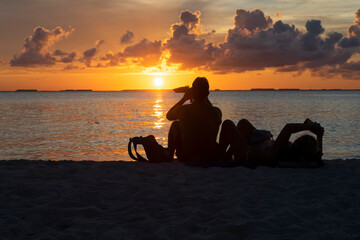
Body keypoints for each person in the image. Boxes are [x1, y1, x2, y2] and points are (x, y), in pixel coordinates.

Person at [220, 118, 324, 167]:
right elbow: (318, 156)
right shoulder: (289, 147)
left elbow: (288, 128)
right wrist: (319, 135)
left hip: (246, 153)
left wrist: (310, 127)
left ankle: (220, 157)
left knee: (227, 123)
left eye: (307, 140)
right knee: (243, 123)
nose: (306, 138)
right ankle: (227, 156)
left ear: (301, 148)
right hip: (257, 142)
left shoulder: (279, 152)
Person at [166, 77, 222, 164]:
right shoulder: (216, 112)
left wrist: (184, 99)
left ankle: (169, 155)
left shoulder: (183, 110)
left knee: (175, 125)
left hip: (187, 156)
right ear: (208, 93)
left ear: (193, 92)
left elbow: (168, 115)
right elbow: (208, 110)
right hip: (210, 156)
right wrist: (204, 97)